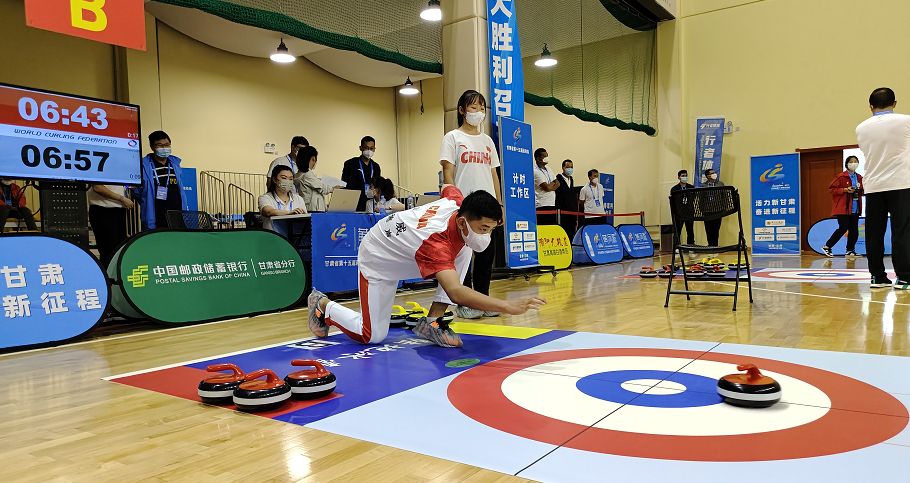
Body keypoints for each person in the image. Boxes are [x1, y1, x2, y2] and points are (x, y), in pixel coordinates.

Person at [306, 185, 546, 347]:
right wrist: (507, 306)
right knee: (372, 335)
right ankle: (323, 305)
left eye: (492, 229)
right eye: (484, 228)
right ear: (462, 221)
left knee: (465, 247)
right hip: (379, 257)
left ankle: (432, 323)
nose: (487, 235)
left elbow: (449, 187)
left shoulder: (458, 203)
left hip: (409, 251)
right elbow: (456, 292)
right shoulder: (436, 242)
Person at [439, 90, 503, 320]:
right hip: (463, 205)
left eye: (481, 108)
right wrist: (451, 202)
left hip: (487, 207)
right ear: (462, 110)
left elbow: (494, 173)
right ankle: (466, 303)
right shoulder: (452, 137)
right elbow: (448, 170)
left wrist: (499, 204)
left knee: (486, 254)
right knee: (463, 256)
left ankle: (483, 299)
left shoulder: (487, 141)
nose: (478, 112)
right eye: (473, 108)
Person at [856, 87, 910, 289]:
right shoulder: (906, 121)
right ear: (894, 103)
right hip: (901, 184)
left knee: (874, 233)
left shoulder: (861, 127)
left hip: (873, 186)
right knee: (902, 231)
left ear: (871, 106)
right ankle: (904, 277)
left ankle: (877, 277)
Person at [136, 131, 187, 230]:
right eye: (160, 145)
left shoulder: (175, 164)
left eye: (167, 145)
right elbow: (137, 192)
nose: (164, 148)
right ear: (152, 147)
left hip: (177, 215)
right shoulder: (144, 166)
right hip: (155, 216)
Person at [822, 156, 864, 259]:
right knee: (843, 228)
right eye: (851, 162)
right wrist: (845, 189)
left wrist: (859, 191)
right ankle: (827, 246)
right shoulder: (841, 176)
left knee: (854, 230)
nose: (853, 164)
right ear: (847, 164)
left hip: (855, 207)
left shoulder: (859, 177)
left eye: (856, 162)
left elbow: (863, 190)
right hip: (843, 208)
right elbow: (831, 189)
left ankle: (850, 250)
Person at [88, 185, 134, 267]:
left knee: (117, 250)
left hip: (118, 210)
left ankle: (113, 276)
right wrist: (122, 198)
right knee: (109, 252)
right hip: (104, 210)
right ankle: (107, 277)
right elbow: (98, 187)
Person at [259, 165, 308, 236]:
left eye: (290, 179)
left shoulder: (298, 199)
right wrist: (289, 213)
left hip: (295, 240)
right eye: (284, 178)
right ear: (274, 179)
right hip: (273, 239)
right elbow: (268, 212)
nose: (288, 181)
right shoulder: (265, 198)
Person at [341, 136, 381, 212]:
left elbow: (377, 186)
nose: (369, 151)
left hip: (370, 203)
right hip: (353, 202)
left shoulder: (376, 167)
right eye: (366, 148)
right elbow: (344, 183)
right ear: (361, 148)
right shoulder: (350, 163)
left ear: (374, 149)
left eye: (372, 148)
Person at [295, 146, 339, 212]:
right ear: (310, 159)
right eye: (314, 160)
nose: (314, 163)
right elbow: (322, 187)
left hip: (308, 207)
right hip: (313, 209)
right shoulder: (307, 174)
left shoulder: (299, 174)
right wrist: (334, 189)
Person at [533, 148, 560, 226]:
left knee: (551, 228)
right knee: (544, 228)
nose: (547, 158)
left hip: (551, 203)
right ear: (538, 158)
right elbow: (546, 188)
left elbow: (558, 183)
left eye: (547, 155)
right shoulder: (535, 171)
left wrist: (550, 186)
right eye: (545, 156)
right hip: (542, 205)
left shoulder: (549, 169)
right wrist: (551, 185)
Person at [670, 169, 695, 245]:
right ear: (679, 177)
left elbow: (693, 199)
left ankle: (691, 246)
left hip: (689, 212)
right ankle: (677, 247)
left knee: (690, 230)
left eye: (686, 176)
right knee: (678, 231)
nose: (685, 177)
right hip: (679, 213)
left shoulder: (691, 187)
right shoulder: (674, 189)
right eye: (683, 176)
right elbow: (673, 202)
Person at [555, 159, 578, 238]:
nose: (570, 169)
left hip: (572, 212)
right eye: (568, 167)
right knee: (563, 232)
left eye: (571, 167)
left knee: (571, 232)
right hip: (562, 212)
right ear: (563, 168)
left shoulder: (571, 179)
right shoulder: (558, 178)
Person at [702, 168, 725, 246]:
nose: (714, 174)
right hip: (707, 212)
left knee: (716, 229)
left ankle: (715, 245)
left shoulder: (720, 184)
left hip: (718, 211)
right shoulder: (703, 186)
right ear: (707, 176)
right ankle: (710, 245)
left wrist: (724, 209)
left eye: (714, 172)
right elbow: (700, 199)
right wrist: (701, 210)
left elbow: (724, 197)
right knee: (708, 230)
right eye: (712, 173)